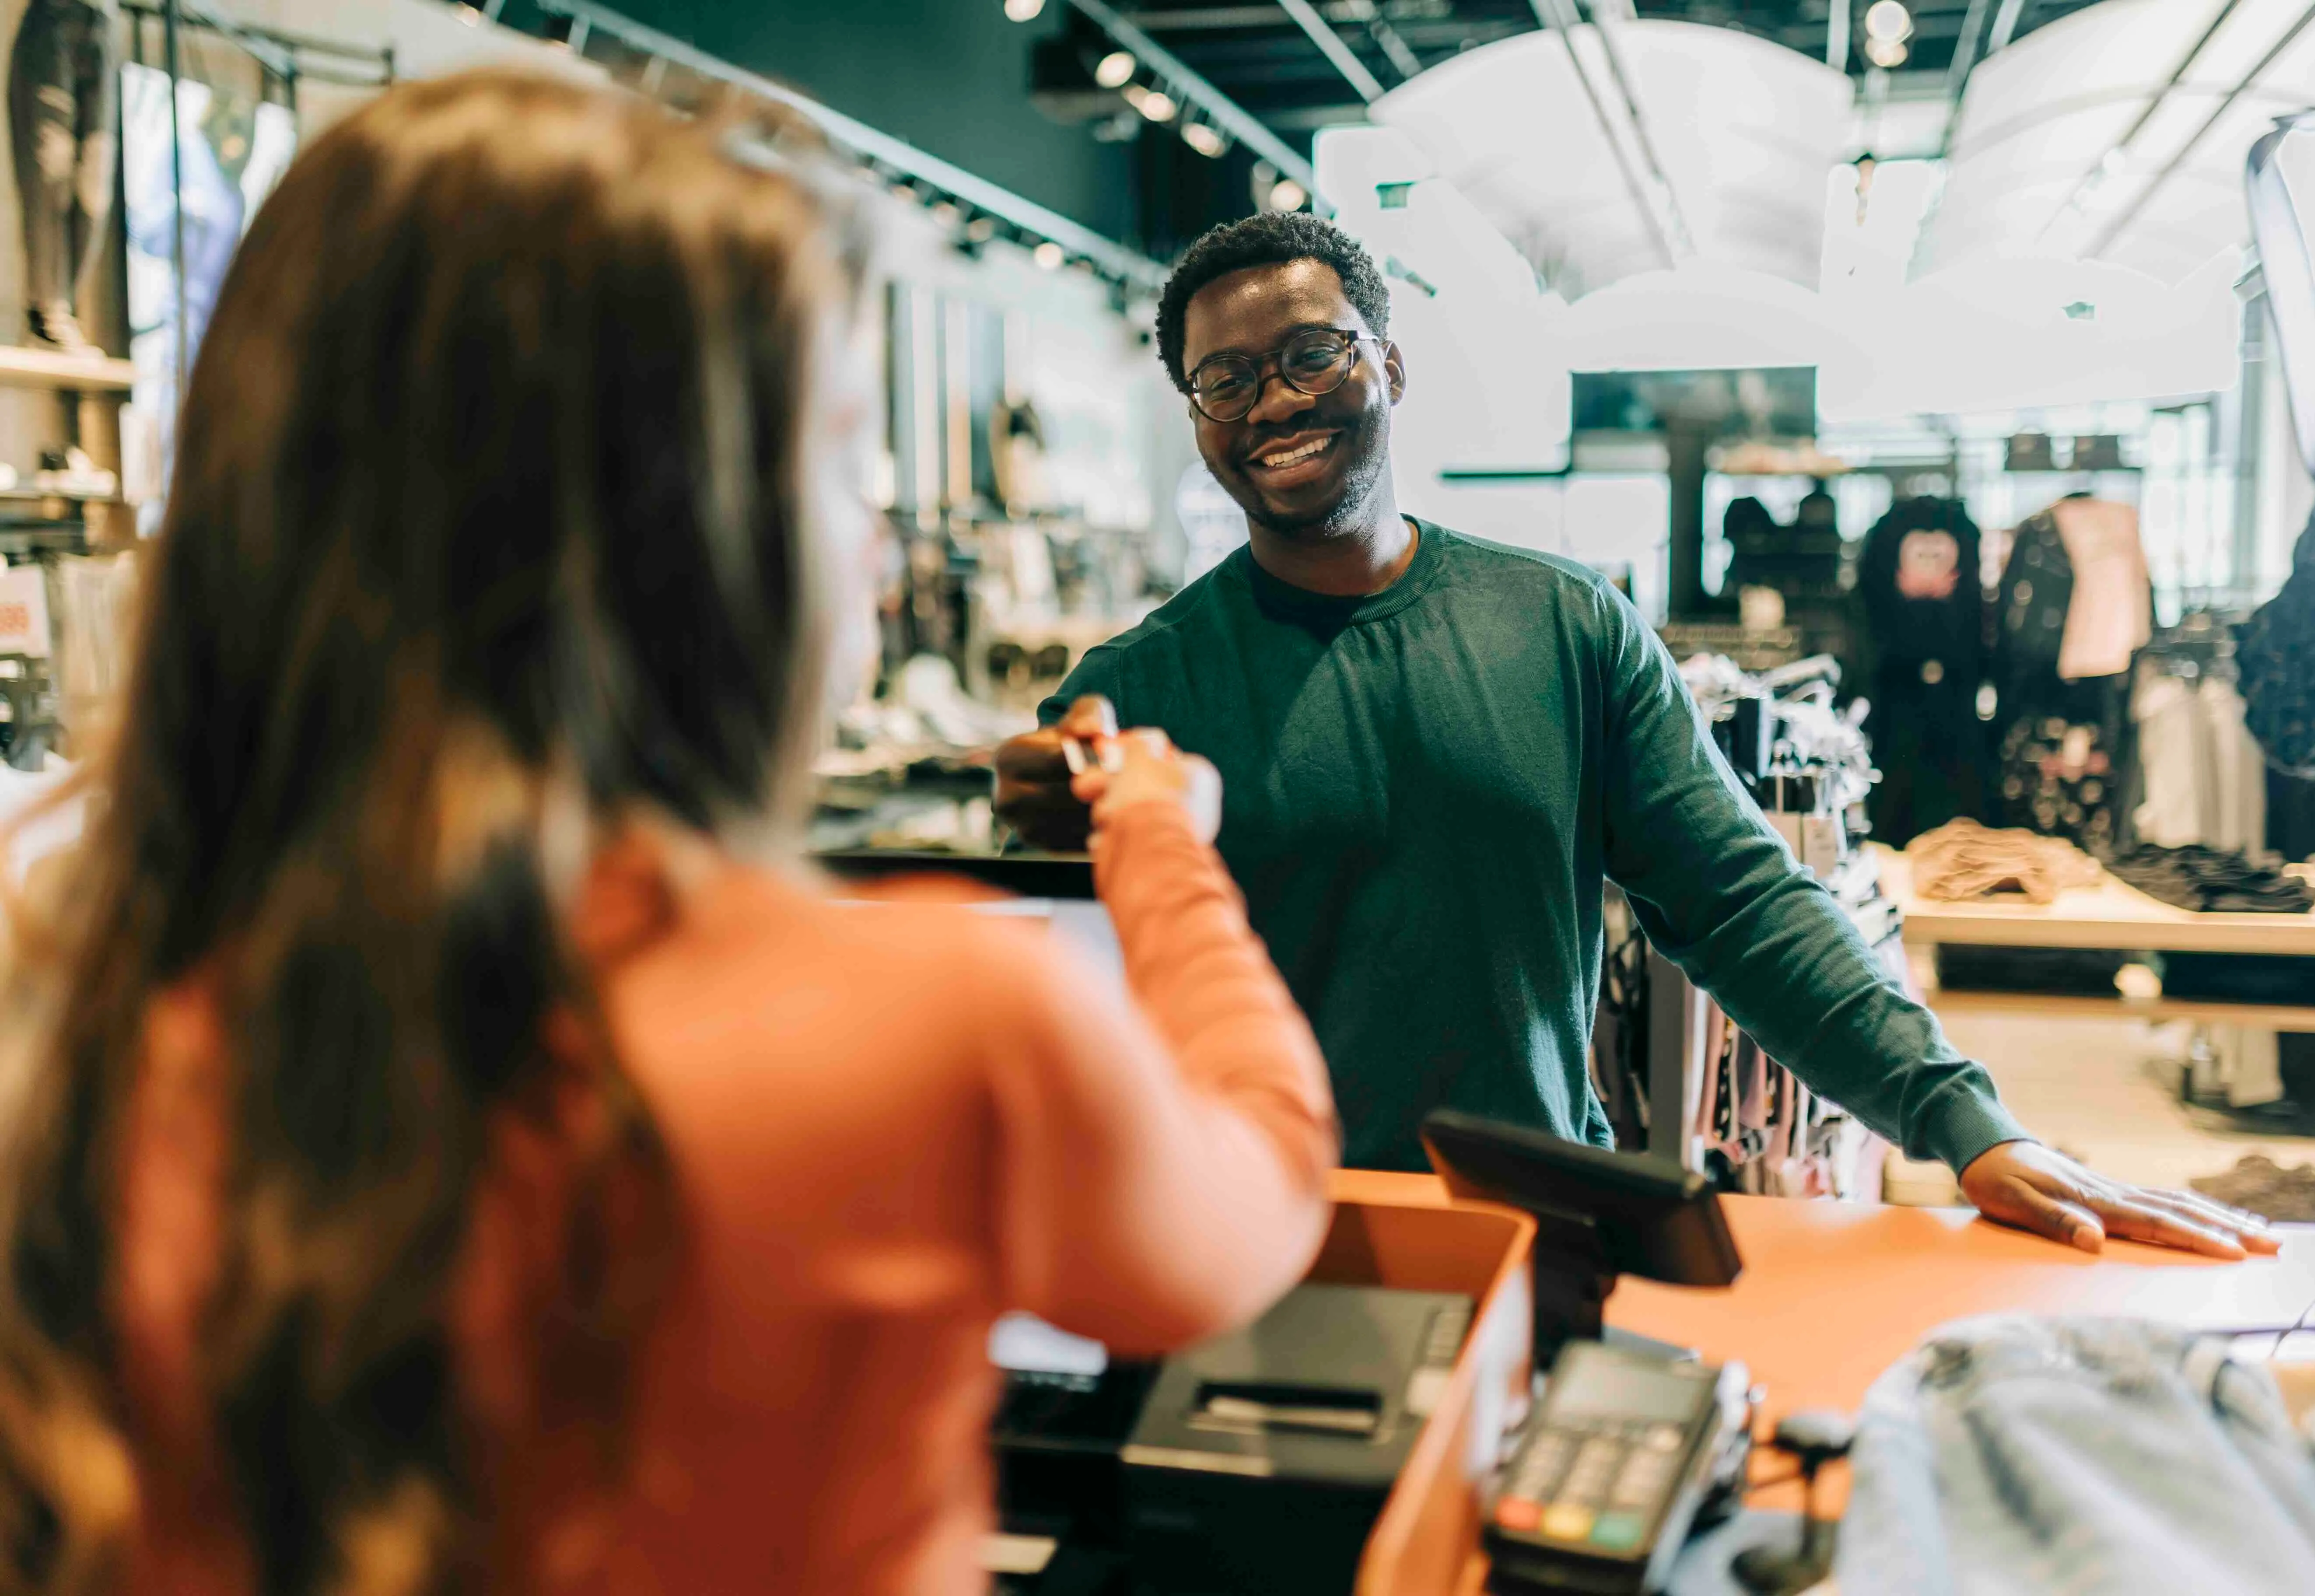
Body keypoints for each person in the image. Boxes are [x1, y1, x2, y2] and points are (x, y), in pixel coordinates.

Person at [0, 73, 1336, 1596]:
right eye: (841, 454)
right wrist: (1161, 840)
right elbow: (1256, 1193)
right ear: (697, 525)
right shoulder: (932, 1021)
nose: (880, 537)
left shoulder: (82, 1027)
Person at [996, 213, 2274, 1261]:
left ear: (1388, 365)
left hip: (1535, 1225)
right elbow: (1060, 1008)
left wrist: (1967, 1124)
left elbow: (1740, 904)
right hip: (1248, 1241)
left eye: (1313, 355)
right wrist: (1026, 838)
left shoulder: (1560, 626)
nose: (1273, 400)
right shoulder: (1138, 688)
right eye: (1224, 379)